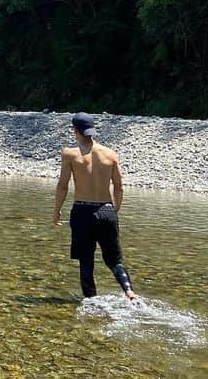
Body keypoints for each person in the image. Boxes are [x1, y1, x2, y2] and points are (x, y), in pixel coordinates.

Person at [53, 112, 136, 300]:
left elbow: (62, 186)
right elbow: (119, 186)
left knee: (86, 262)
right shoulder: (111, 154)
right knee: (115, 261)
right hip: (107, 210)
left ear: (75, 130)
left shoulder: (70, 154)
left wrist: (57, 210)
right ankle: (129, 291)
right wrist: (115, 210)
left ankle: (91, 301)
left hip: (82, 212)